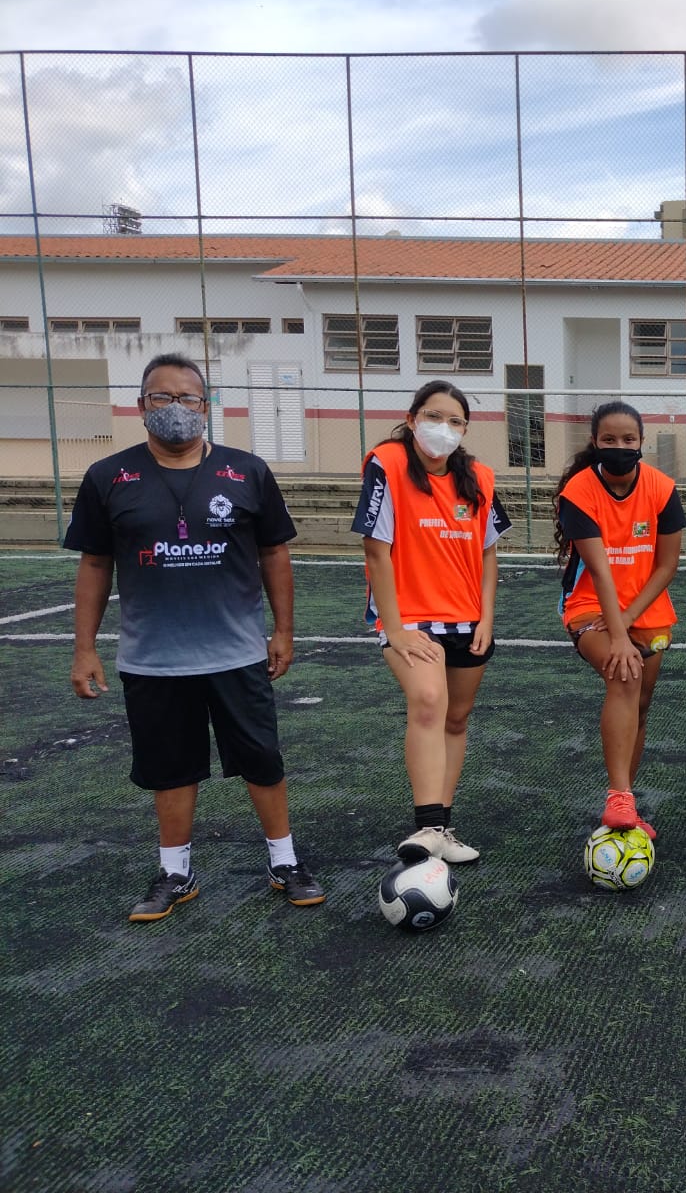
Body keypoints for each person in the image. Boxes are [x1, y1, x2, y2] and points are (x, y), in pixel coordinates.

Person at [65, 353, 324, 921]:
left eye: (188, 398)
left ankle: (284, 860)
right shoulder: (109, 477)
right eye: (162, 397)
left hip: (235, 652)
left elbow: (275, 553)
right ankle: (175, 872)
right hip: (153, 659)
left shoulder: (247, 471)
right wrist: (85, 647)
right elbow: (94, 564)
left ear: (206, 408)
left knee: (261, 758)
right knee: (171, 768)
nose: (176, 408)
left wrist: (283, 630)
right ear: (141, 407)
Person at [354, 380, 511, 864]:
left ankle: (442, 827)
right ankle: (425, 829)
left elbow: (488, 554)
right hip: (411, 618)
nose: (443, 428)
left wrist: (486, 617)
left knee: (456, 719)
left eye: (455, 420)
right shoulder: (387, 463)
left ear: (465, 429)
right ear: (412, 417)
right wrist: (396, 627)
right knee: (427, 700)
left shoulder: (480, 477)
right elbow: (376, 551)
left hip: (467, 617)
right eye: (433, 416)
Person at [553, 401, 685, 839]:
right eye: (609, 439)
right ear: (595, 442)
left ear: (641, 443)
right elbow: (601, 570)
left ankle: (627, 799)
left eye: (628, 439)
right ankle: (620, 797)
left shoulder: (663, 488)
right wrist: (619, 634)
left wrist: (630, 620)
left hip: (647, 608)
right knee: (623, 676)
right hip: (591, 605)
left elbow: (666, 566)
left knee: (642, 704)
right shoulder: (579, 491)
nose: (619, 446)